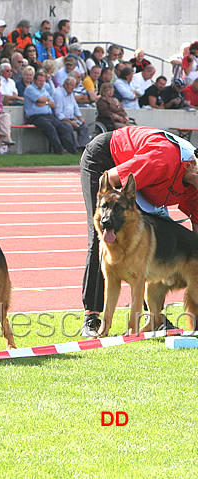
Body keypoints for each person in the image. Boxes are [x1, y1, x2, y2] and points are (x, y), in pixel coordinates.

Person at [79, 125, 198, 336]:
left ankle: (154, 317)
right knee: (105, 234)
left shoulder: (195, 189)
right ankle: (92, 317)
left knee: (144, 236)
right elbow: (111, 179)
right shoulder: (162, 159)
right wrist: (111, 216)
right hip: (106, 160)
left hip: (137, 181)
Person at [24, 69, 77, 155]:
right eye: (39, 81)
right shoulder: (30, 89)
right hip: (36, 117)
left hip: (49, 115)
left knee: (64, 127)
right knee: (50, 128)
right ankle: (60, 151)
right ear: (34, 81)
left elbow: (53, 103)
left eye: (43, 81)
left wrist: (45, 102)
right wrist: (45, 101)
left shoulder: (45, 89)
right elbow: (40, 99)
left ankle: (72, 150)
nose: (41, 83)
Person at [54, 76, 89, 150]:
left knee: (84, 126)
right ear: (66, 85)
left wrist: (80, 118)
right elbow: (58, 113)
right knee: (68, 127)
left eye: (74, 85)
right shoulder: (58, 94)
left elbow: (75, 107)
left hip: (71, 119)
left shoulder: (70, 93)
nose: (73, 88)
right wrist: (71, 122)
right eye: (72, 85)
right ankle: (73, 148)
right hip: (61, 120)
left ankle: (82, 147)